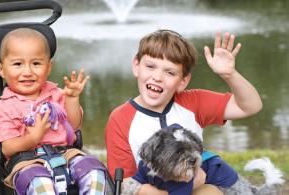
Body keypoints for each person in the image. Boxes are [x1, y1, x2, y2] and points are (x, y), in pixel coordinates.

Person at [105, 29, 262, 195]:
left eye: (170, 72)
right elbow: (124, 182)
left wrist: (230, 75)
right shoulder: (120, 118)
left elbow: (251, 106)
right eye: (150, 66)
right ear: (137, 66)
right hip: (150, 191)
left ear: (183, 81)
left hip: (194, 186)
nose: (157, 77)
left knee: (208, 192)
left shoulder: (194, 101)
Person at [0, 27, 107, 195]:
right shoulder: (4, 107)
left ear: (49, 67)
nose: (27, 72)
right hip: (27, 162)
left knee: (93, 169)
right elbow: (7, 148)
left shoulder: (57, 95)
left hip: (65, 154)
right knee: (40, 182)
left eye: (36, 63)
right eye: (17, 64)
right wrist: (33, 138)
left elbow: (73, 126)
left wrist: (72, 99)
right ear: (1, 69)